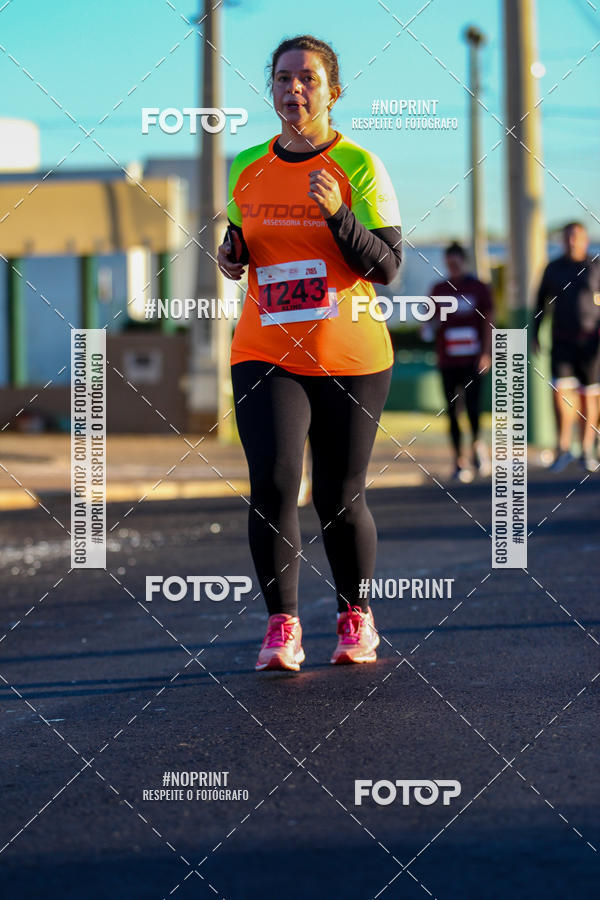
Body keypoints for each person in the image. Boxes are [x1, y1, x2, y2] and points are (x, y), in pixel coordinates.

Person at [217, 35, 402, 671]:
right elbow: (245, 241)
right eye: (282, 78)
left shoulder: (359, 165)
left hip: (351, 353)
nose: (294, 89)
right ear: (270, 89)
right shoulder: (246, 164)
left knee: (339, 494)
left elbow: (388, 266)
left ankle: (356, 614)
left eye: (308, 79)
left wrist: (336, 216)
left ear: (333, 91)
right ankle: (282, 625)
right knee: (271, 483)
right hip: (265, 348)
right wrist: (231, 254)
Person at [532, 222, 600, 473]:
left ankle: (586, 449)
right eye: (568, 237)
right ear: (563, 240)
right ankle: (563, 448)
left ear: (584, 240)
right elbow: (540, 302)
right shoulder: (553, 268)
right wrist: (536, 333)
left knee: (589, 395)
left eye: (577, 237)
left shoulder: (595, 266)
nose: (572, 241)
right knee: (560, 393)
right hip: (561, 341)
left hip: (591, 342)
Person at [427, 242, 494, 481]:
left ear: (463, 261)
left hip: (473, 360)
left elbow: (488, 320)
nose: (453, 267)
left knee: (473, 408)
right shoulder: (439, 288)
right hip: (448, 361)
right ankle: (458, 460)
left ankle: (477, 445)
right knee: (453, 410)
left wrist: (486, 353)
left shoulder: (478, 288)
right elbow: (430, 320)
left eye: (457, 262)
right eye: (449, 263)